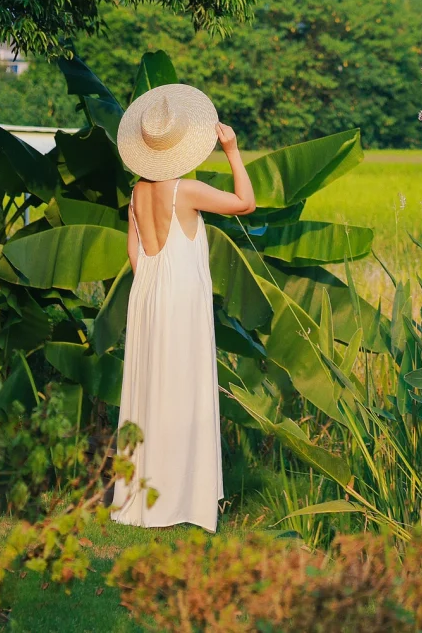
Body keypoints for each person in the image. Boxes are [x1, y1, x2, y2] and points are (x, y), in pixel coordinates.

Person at [111, 82, 255, 532]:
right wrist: (232, 150)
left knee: (148, 389)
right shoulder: (185, 190)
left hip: (147, 295)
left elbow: (136, 256)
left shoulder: (136, 192)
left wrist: (154, 285)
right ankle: (176, 499)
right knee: (179, 392)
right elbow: (245, 203)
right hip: (179, 299)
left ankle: (140, 497)